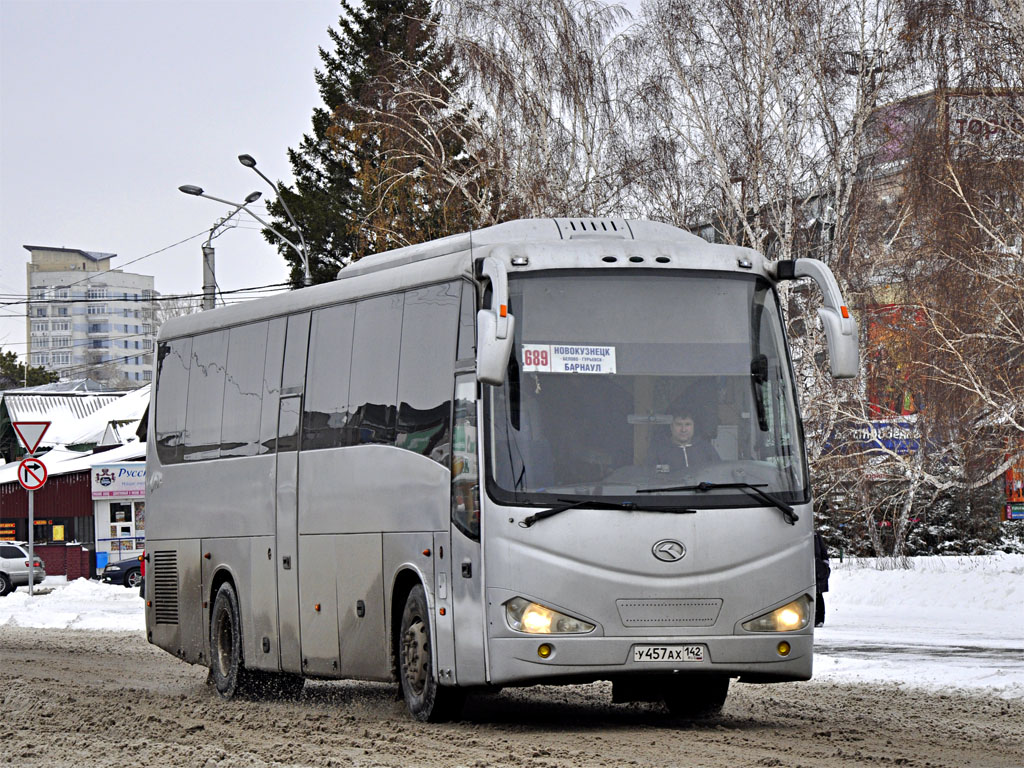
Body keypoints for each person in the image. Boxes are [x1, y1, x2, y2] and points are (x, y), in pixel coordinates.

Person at [648, 405, 719, 473]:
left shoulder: (706, 448)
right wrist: (671, 469)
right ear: (671, 427)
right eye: (679, 424)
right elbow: (651, 471)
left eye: (688, 424)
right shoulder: (659, 450)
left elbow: (718, 471)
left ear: (694, 426)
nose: (683, 429)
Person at [814, 532, 831, 627]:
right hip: (805, 569)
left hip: (818, 570)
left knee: (818, 594)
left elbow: (824, 552)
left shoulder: (816, 535)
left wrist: (824, 566)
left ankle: (819, 620)